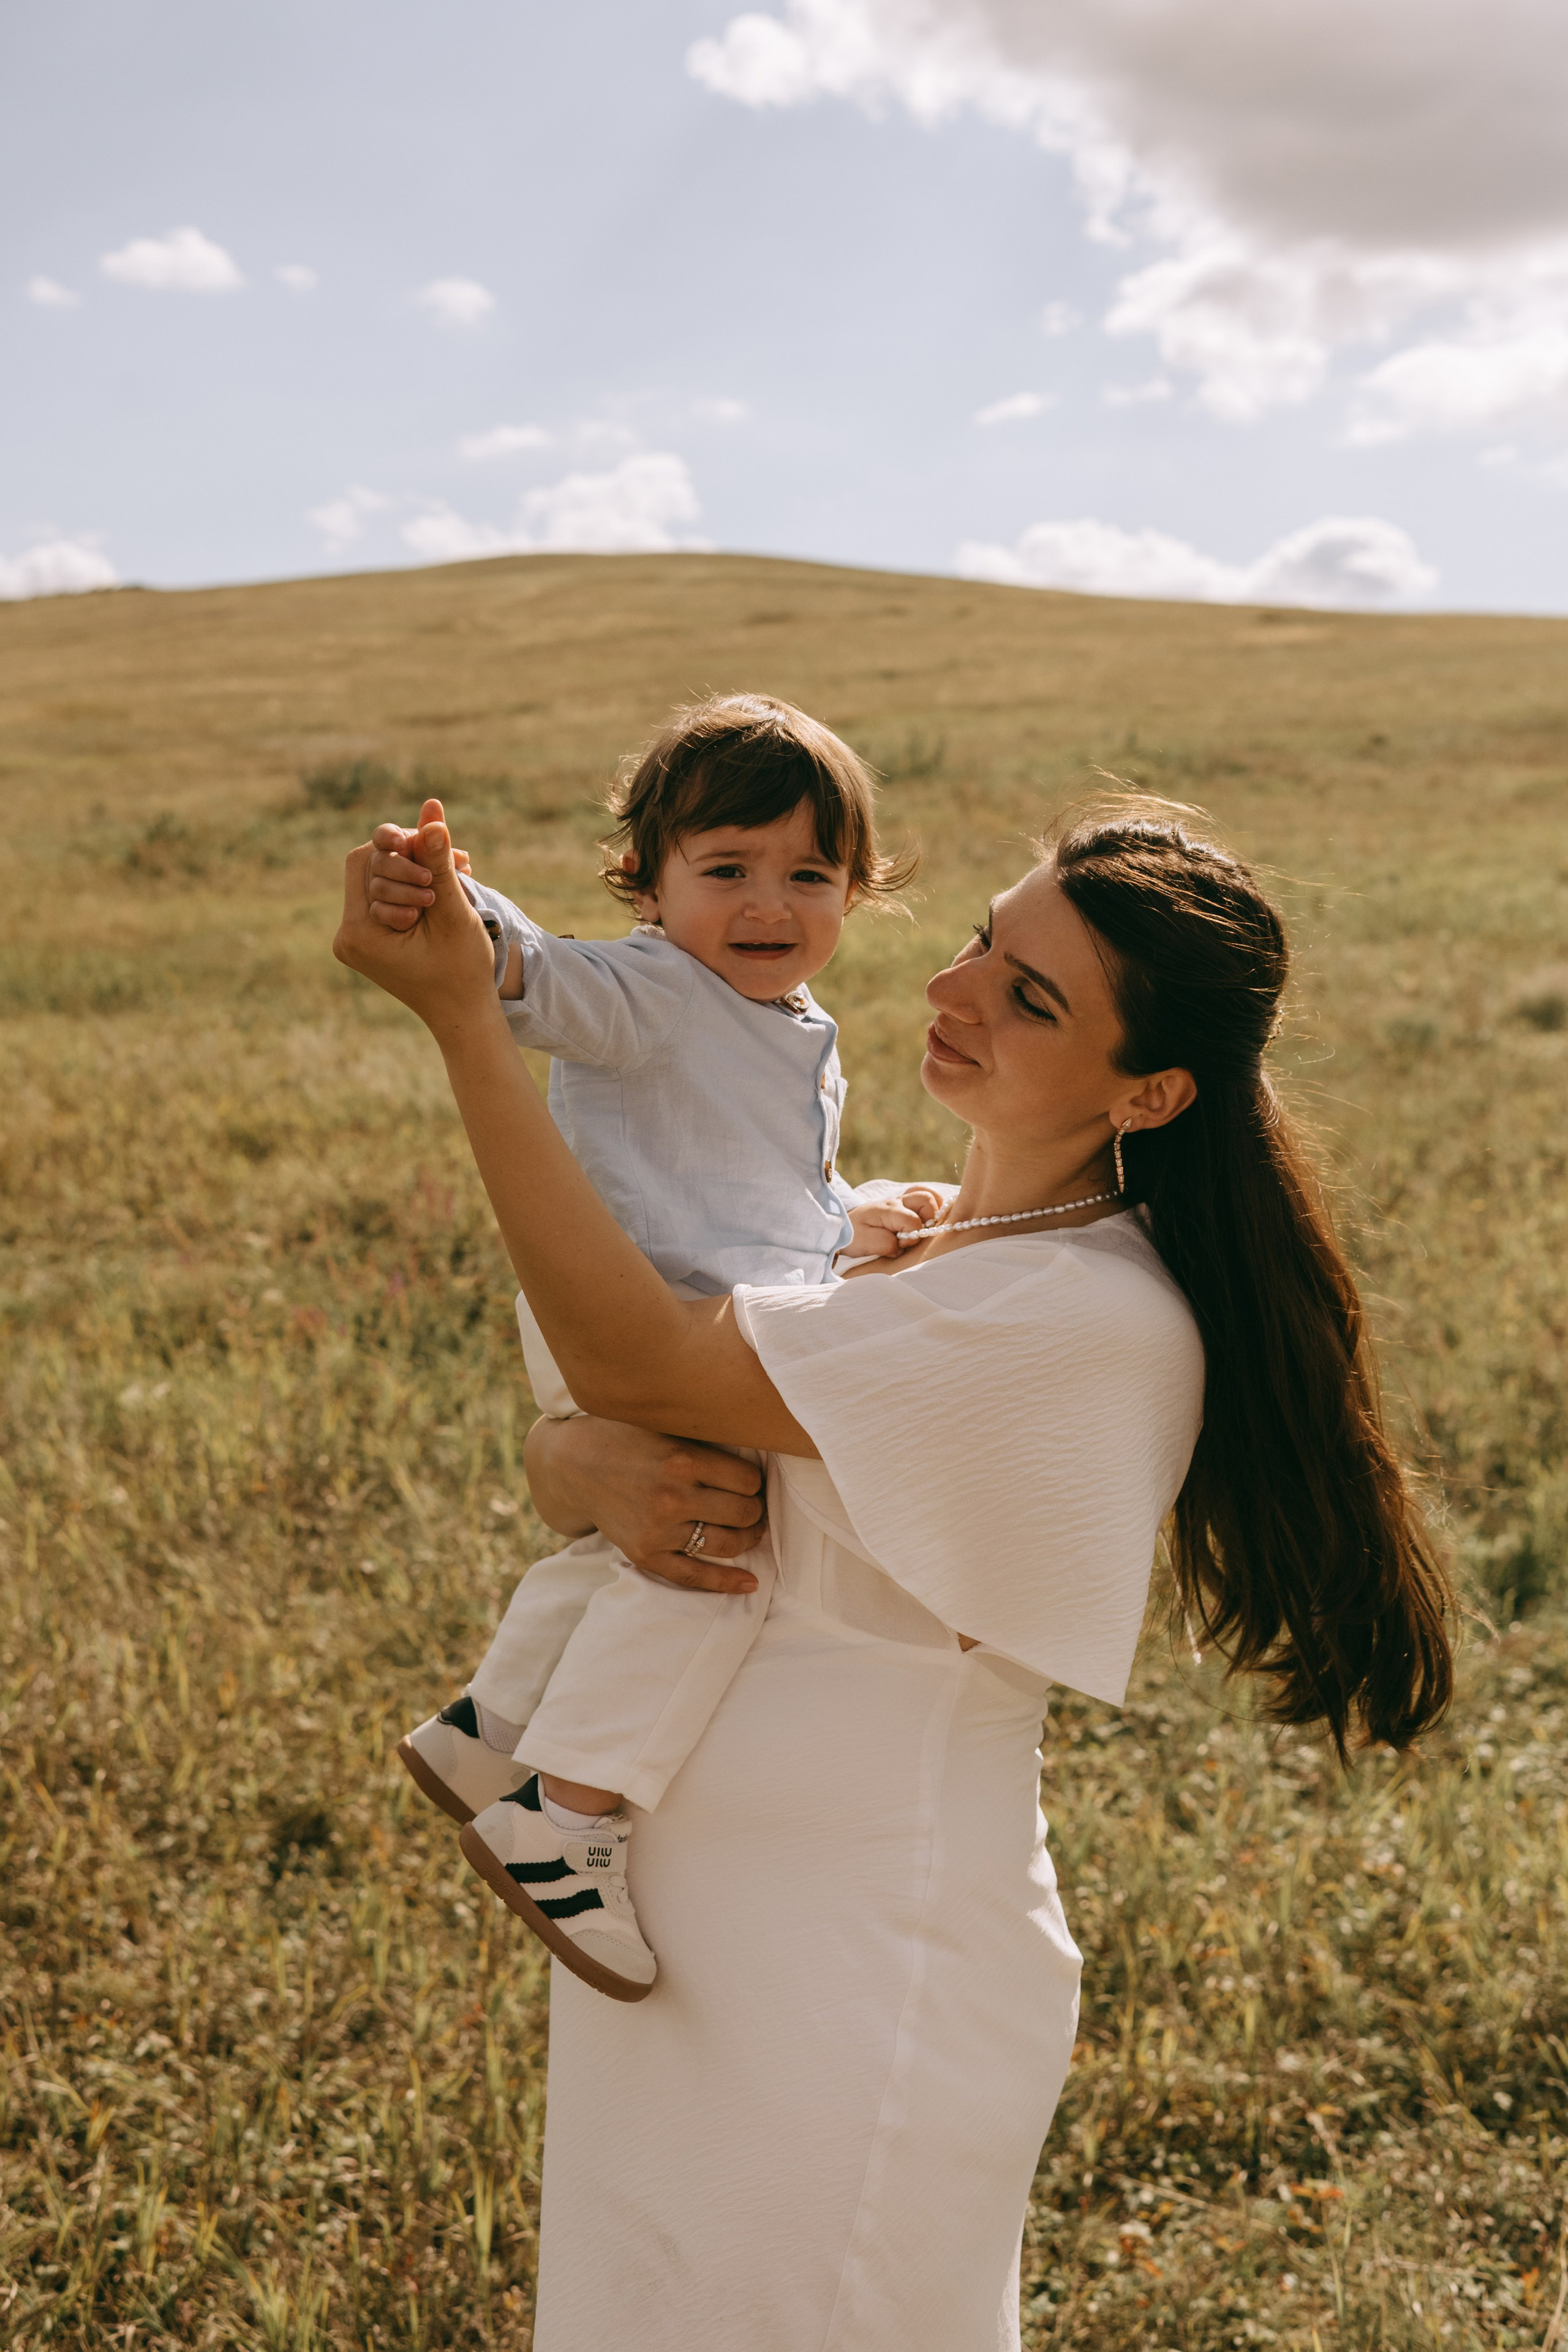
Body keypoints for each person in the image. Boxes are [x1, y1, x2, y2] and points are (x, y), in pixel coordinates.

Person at [333, 797, 1453, 2352]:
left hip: (851, 1966)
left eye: (1030, 993)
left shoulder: (1077, 1318)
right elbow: (645, 1434)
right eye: (984, 939)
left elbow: (629, 1356)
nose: (954, 988)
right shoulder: (884, 1244)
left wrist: (469, 1022)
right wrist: (565, 1462)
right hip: (682, 1924)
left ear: (1154, 1090)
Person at [364, 694, 925, 1999]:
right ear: (650, 883)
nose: (767, 905)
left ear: (856, 891)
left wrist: (850, 1218)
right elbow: (534, 978)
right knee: (709, 1547)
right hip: (627, 1320)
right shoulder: (654, 987)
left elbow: (737, 1190)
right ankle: (563, 1818)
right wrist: (455, 905)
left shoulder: (789, 1025)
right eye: (724, 871)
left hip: (678, 1308)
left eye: (808, 875)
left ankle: (484, 1726)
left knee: (634, 1531)